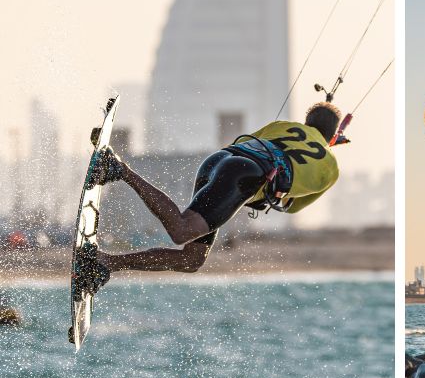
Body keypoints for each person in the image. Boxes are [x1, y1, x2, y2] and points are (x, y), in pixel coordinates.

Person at [75, 102, 342, 293]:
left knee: (192, 259)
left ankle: (105, 262)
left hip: (219, 160)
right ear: (332, 137)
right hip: (242, 176)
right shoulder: (331, 167)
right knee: (182, 231)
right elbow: (291, 206)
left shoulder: (285, 126)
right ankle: (119, 168)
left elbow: (249, 143)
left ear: (308, 123)